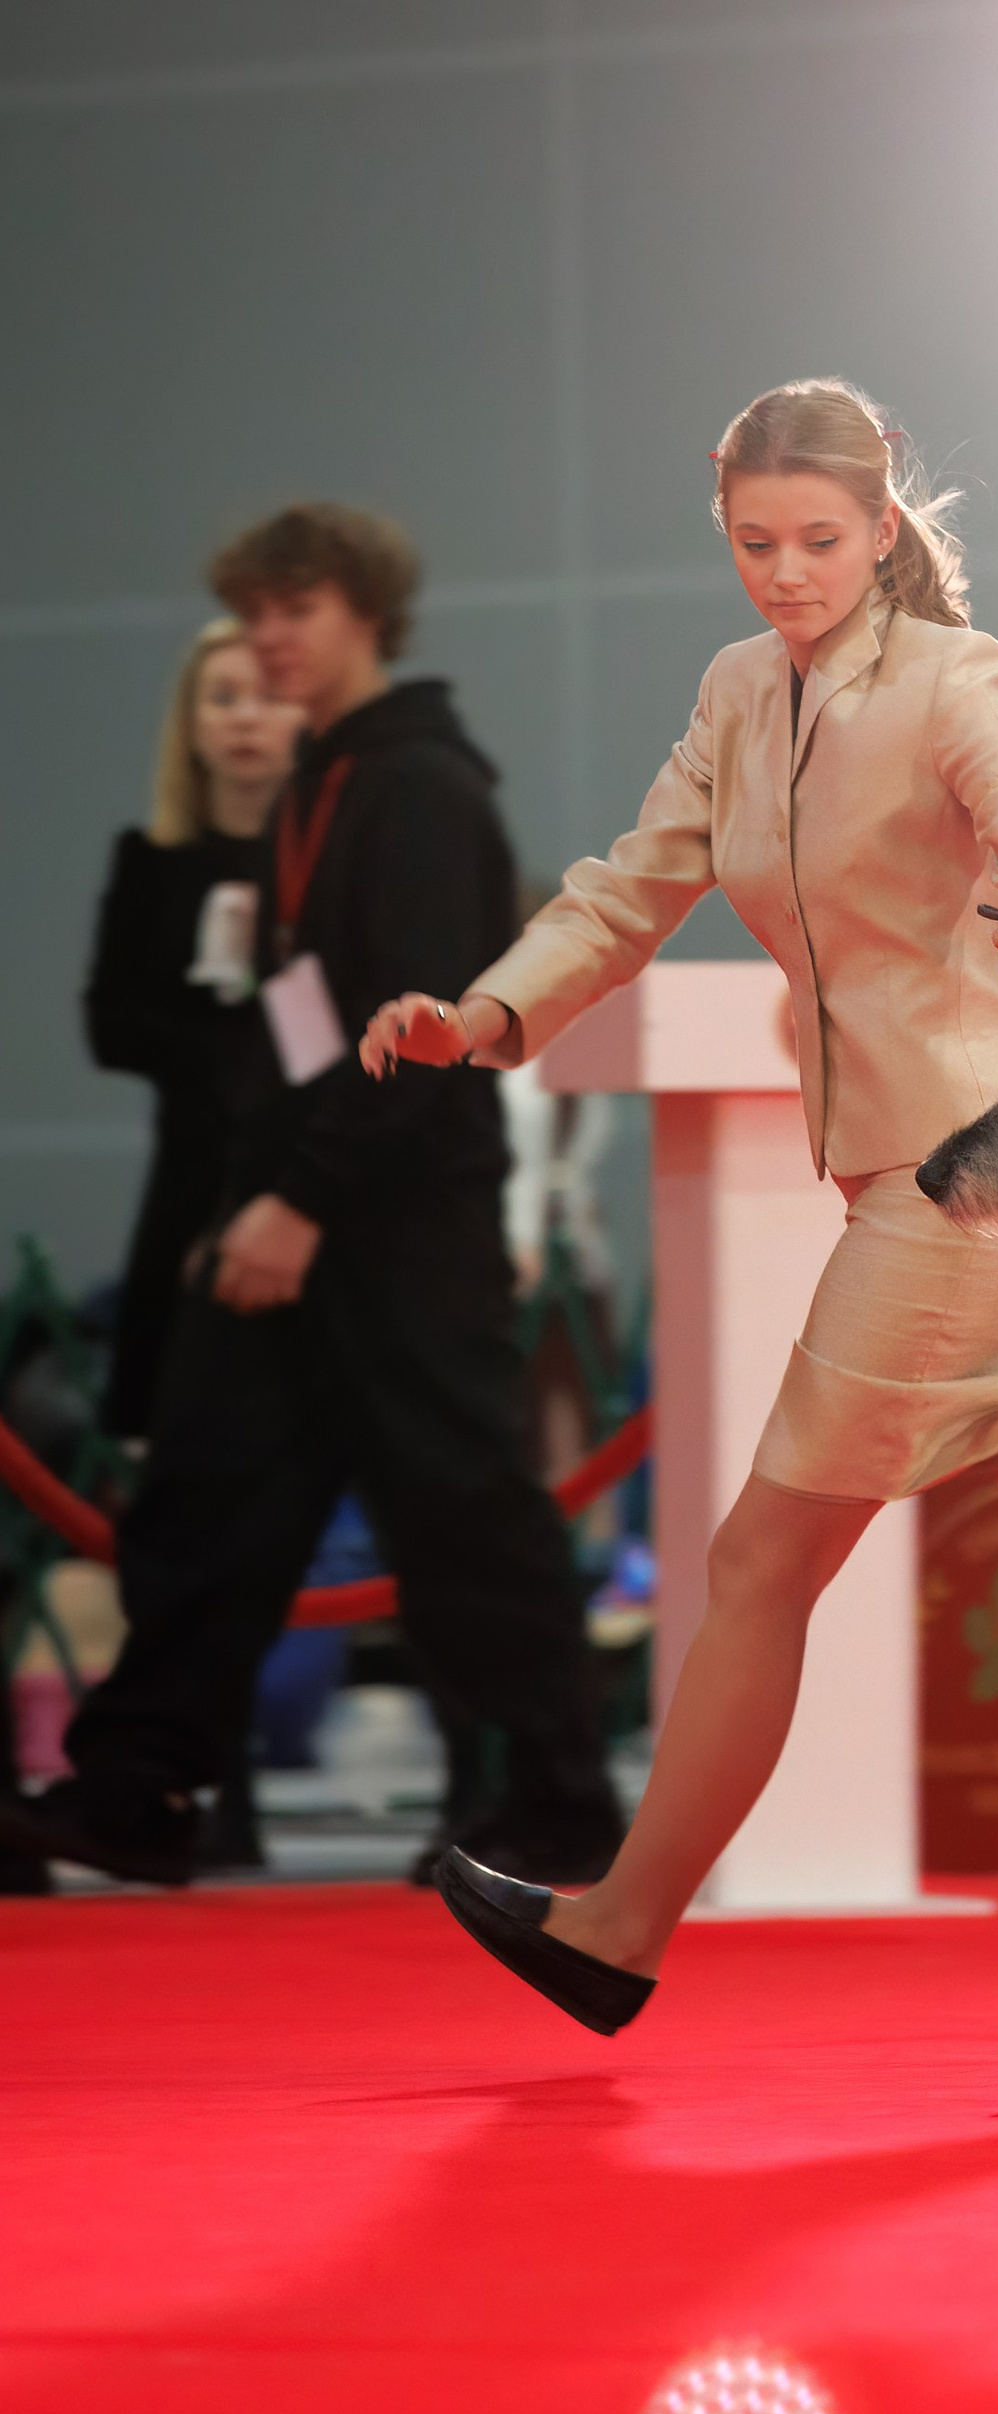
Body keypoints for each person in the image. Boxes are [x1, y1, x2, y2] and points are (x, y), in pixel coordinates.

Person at [363, 378, 998, 2030]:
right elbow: (627, 886)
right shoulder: (741, 692)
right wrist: (491, 1013)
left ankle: (618, 1932)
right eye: (755, 542)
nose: (786, 571)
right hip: (935, 1178)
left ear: (884, 533)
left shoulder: (955, 682)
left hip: (971, 1182)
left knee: (757, 1561)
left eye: (819, 540)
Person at [0, 505, 625, 1888]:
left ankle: (566, 1808)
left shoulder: (415, 789)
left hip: (403, 1222)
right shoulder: (323, 783)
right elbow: (302, 1026)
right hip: (313, 1206)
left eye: (296, 610)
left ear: (366, 617)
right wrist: (259, 1198)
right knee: (207, 1503)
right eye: (255, 612)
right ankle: (138, 1792)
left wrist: (299, 1199)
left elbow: (411, 1032)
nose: (269, 637)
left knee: (467, 1513)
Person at [83, 620, 299, 1438]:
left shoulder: (327, 859)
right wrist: (225, 1041)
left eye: (267, 697)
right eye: (223, 699)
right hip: (185, 1165)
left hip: (295, 1169)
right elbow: (109, 1025)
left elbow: (327, 1036)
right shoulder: (149, 859)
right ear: (193, 724)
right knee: (161, 1423)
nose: (245, 718)